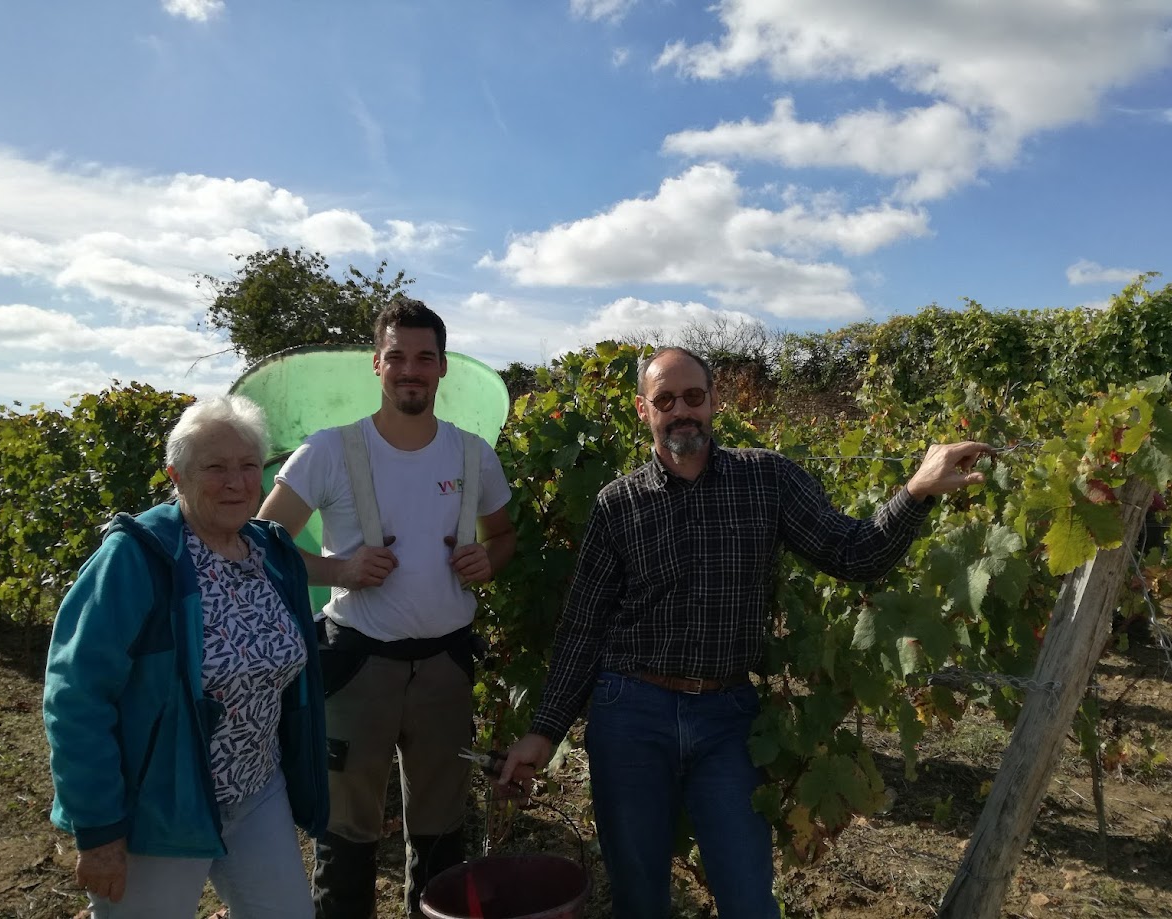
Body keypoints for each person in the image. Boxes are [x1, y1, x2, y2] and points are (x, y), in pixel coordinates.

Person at [499, 346, 991, 918]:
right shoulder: (619, 504)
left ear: (714, 401)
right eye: (665, 400)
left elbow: (854, 553)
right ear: (642, 410)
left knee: (749, 896)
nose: (681, 410)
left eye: (693, 397)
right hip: (629, 712)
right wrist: (544, 730)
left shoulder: (767, 479)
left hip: (726, 716)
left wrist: (917, 491)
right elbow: (583, 625)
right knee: (638, 896)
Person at [258, 298, 516, 918]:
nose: (410, 369)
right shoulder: (330, 451)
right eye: (397, 356)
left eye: (424, 358)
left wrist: (490, 558)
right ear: (376, 364)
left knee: (440, 831)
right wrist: (339, 570)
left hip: (445, 671)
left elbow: (502, 536)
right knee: (346, 834)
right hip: (357, 668)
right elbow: (262, 543)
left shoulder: (473, 453)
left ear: (442, 368)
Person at [43, 395, 329, 919]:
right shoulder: (138, 558)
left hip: (256, 788)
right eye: (214, 467)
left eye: (247, 466)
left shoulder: (272, 553)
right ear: (176, 475)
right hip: (161, 802)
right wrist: (99, 830)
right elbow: (77, 695)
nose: (236, 482)